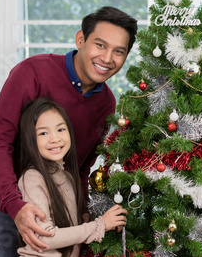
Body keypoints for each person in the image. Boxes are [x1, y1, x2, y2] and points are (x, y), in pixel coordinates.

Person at [0, 6, 137, 257]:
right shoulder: (33, 73)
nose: (107, 58)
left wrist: (81, 212)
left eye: (119, 51)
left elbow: (80, 167)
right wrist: (15, 206)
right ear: (80, 39)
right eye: (100, 45)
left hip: (55, 210)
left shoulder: (106, 104)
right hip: (0, 202)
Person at [16, 97, 127, 257]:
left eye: (61, 129)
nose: (55, 139)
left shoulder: (67, 176)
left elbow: (71, 230)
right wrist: (100, 225)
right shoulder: (32, 178)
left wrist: (102, 220)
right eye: (43, 133)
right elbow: (43, 237)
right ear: (30, 139)